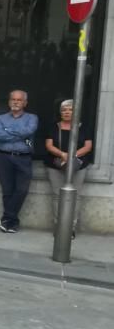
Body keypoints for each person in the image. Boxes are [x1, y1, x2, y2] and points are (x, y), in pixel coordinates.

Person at [44, 99, 93, 237]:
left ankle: (70, 227)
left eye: (70, 110)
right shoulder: (53, 126)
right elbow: (49, 145)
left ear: (76, 112)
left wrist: (72, 155)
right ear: (60, 112)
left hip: (78, 166)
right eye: (64, 110)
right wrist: (62, 155)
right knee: (57, 196)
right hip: (55, 165)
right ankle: (59, 226)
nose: (67, 112)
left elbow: (88, 146)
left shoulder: (84, 127)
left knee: (75, 197)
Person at [0, 89, 38, 234]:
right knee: (7, 190)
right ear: (9, 101)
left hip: (23, 157)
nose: (15, 102)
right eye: (13, 99)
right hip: (3, 157)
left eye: (19, 100)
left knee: (22, 190)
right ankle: (11, 222)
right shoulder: (0, 119)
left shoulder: (32, 118)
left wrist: (9, 131)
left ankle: (7, 217)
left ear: (25, 103)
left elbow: (29, 131)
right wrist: (18, 133)